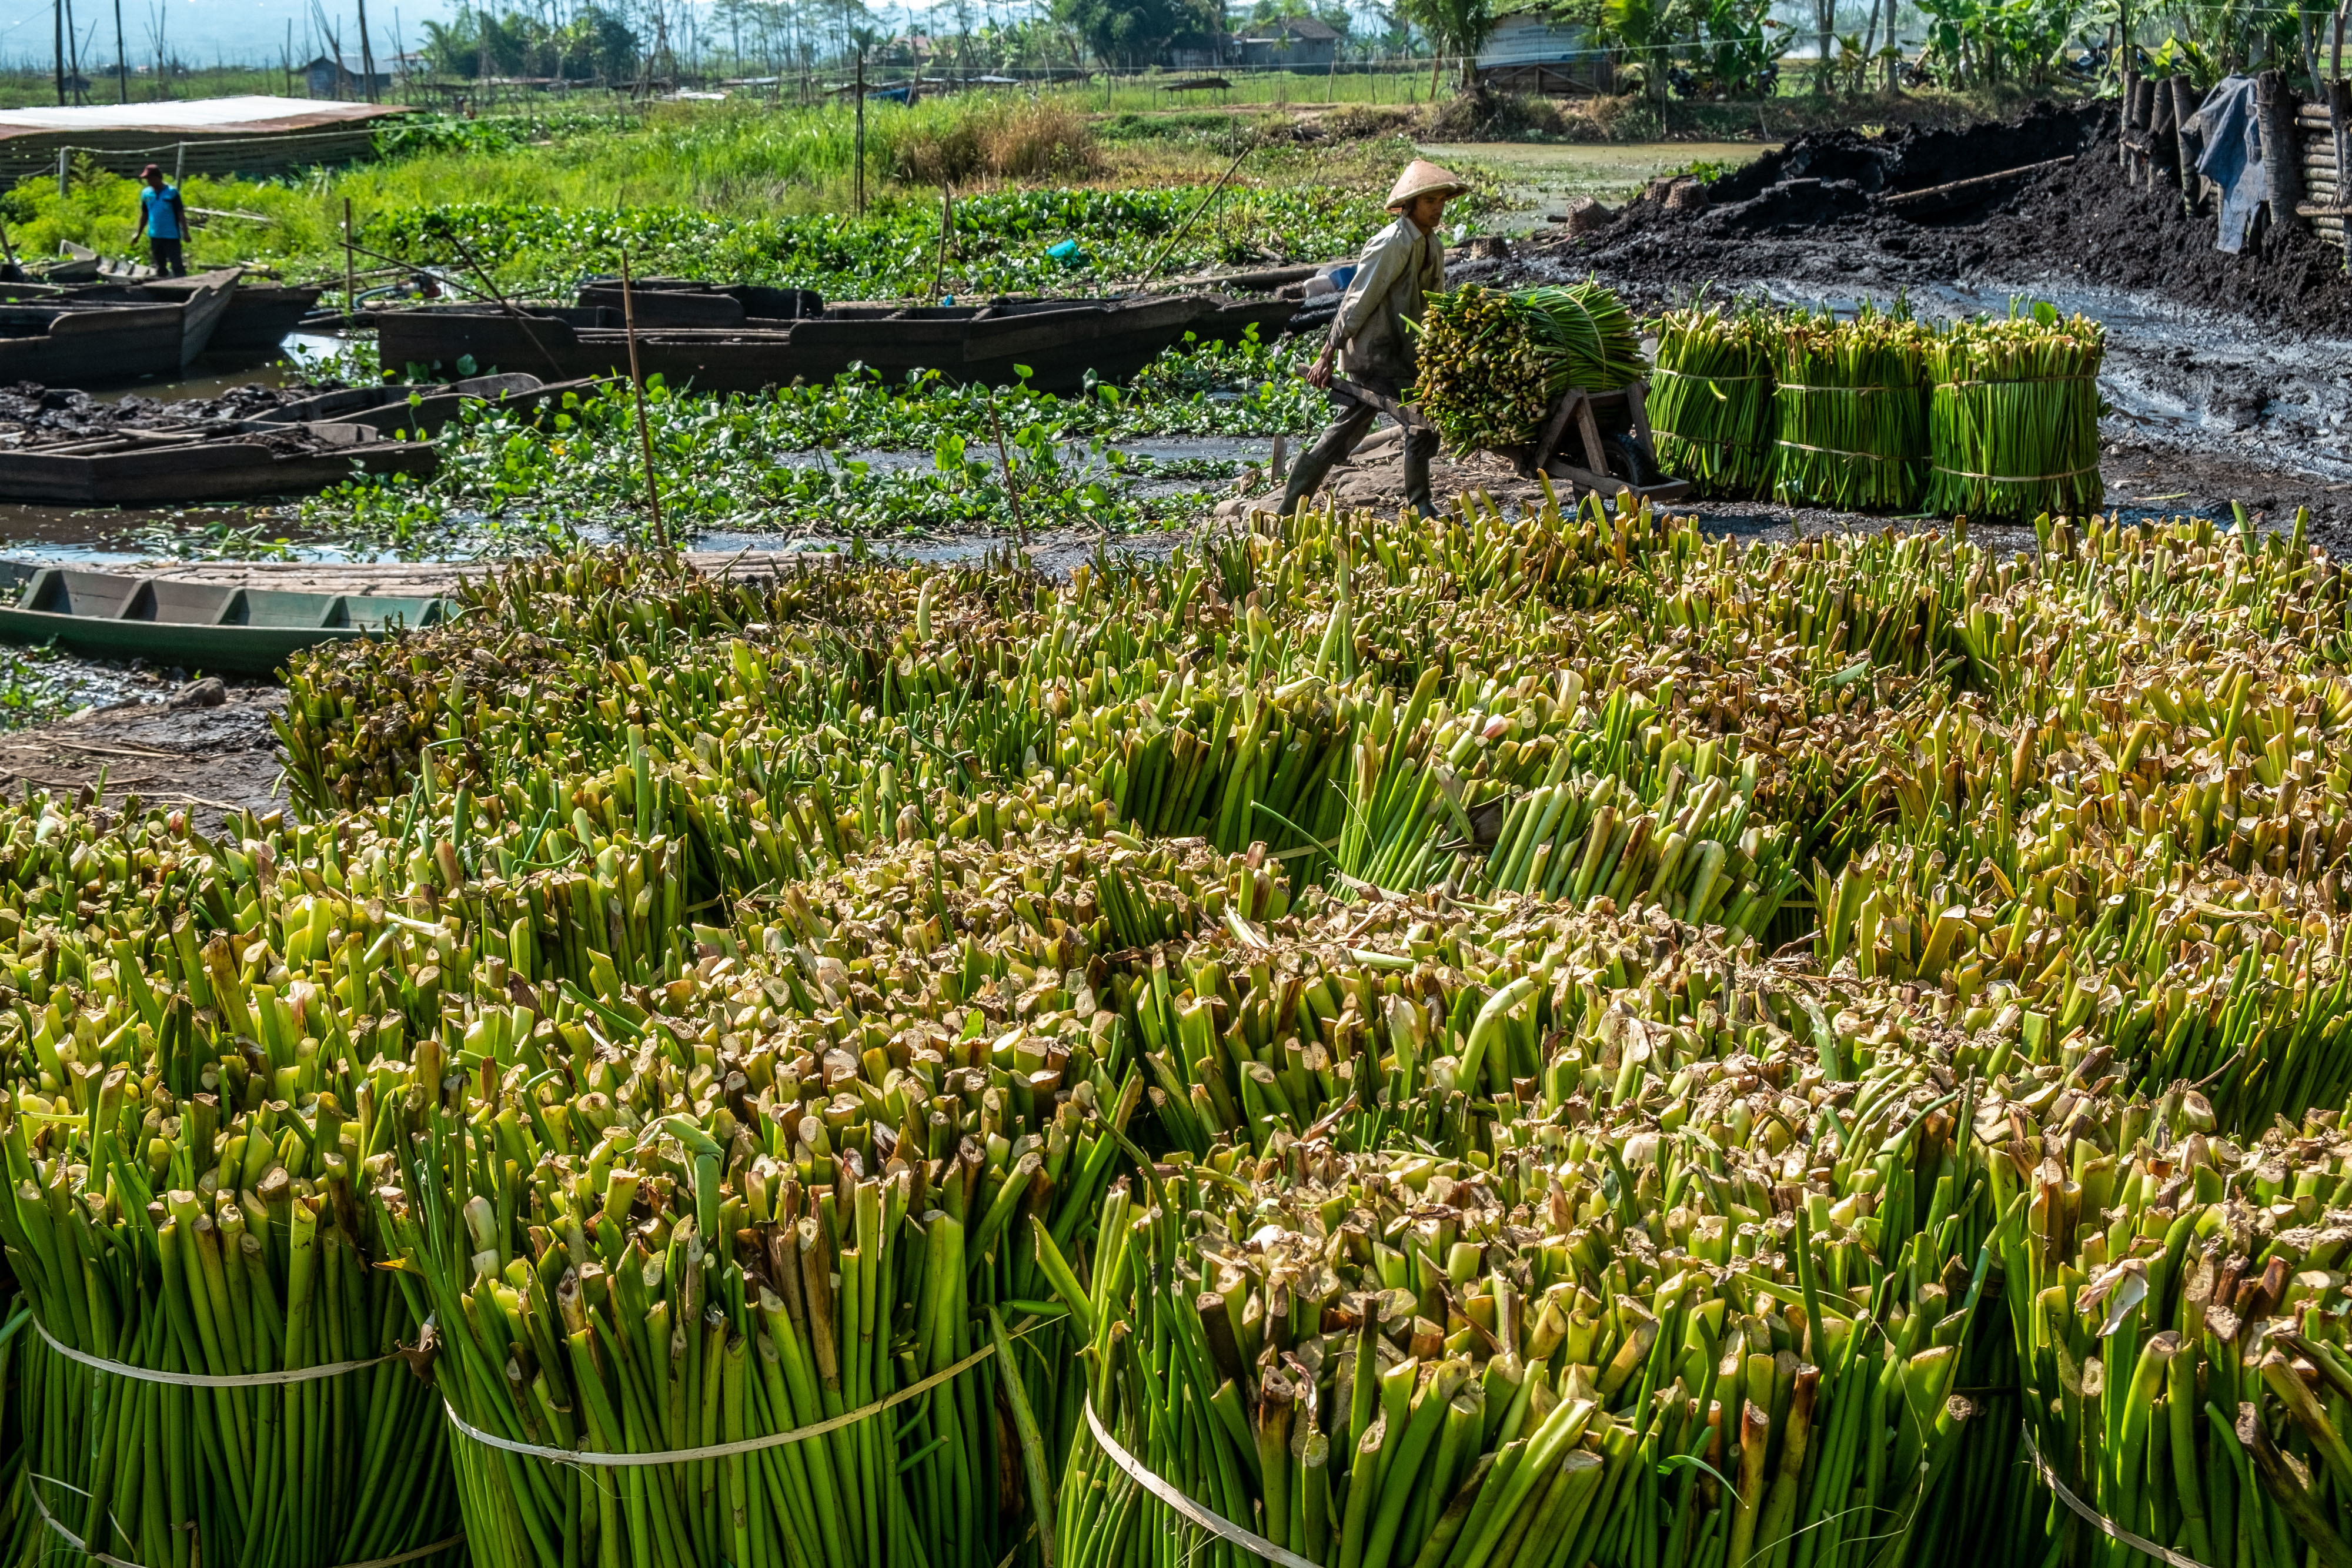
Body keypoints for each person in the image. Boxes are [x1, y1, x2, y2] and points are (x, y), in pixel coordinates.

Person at [1272, 159, 1464, 521]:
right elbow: (1358, 298)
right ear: (1411, 205)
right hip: (1375, 354)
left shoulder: (1432, 245)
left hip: (1406, 355)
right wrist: (1328, 351)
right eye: (1430, 202)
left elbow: (1435, 304)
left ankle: (1419, 503)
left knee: (1406, 423)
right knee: (1369, 427)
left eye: (1442, 201)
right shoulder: (1392, 242)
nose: (1438, 209)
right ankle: (1291, 505)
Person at [129, 165, 188, 278]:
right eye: (147, 179)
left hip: (171, 235)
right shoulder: (146, 193)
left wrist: (185, 232)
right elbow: (145, 215)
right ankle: (162, 287)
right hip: (155, 235)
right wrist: (138, 234)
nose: (149, 182)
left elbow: (181, 213)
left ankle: (184, 286)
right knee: (160, 265)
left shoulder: (172, 192)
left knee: (177, 264)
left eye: (150, 179)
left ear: (158, 177)